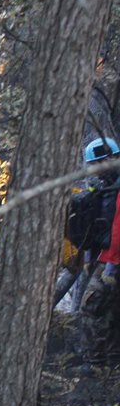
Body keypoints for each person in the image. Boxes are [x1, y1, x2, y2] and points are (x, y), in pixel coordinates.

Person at [77, 136, 120, 365]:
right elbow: (95, 223)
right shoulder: (104, 187)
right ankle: (109, 362)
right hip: (103, 256)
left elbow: (118, 228)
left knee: (91, 305)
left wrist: (110, 266)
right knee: (110, 310)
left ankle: (94, 362)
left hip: (112, 259)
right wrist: (87, 256)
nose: (93, 170)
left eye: (95, 164)